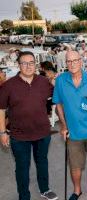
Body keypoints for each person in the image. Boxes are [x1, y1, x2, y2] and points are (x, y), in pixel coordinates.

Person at [0, 51, 58, 200]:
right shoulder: (8, 85)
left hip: (42, 133)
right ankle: (24, 196)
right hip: (19, 135)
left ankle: (44, 190)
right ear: (19, 65)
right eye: (24, 63)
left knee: (42, 163)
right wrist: (2, 132)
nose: (28, 66)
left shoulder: (43, 82)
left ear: (35, 65)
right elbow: (1, 110)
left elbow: (57, 95)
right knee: (22, 168)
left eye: (31, 63)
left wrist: (56, 80)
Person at [53, 50, 87, 200]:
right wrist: (63, 125)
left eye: (75, 60)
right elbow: (59, 105)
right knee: (75, 165)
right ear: (66, 63)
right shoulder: (61, 80)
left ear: (81, 61)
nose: (72, 64)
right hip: (73, 133)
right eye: (69, 61)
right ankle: (77, 190)